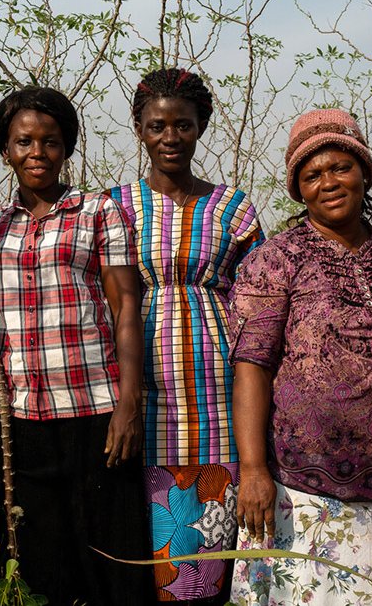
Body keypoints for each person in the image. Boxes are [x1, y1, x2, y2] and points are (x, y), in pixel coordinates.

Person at [0, 85, 151, 604]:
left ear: (68, 147)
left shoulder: (99, 211)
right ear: (6, 151)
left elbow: (125, 306)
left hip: (92, 411)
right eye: (24, 142)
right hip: (18, 413)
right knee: (26, 557)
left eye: (51, 142)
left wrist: (128, 403)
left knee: (108, 561)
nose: (38, 154)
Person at [227, 109, 372, 605]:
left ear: (364, 173)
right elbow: (252, 368)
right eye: (312, 175)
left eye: (341, 168)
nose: (329, 183)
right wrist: (252, 470)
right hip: (297, 492)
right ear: (298, 189)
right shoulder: (275, 260)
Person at [107, 67, 263, 603]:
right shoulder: (114, 206)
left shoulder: (233, 207)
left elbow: (259, 301)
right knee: (138, 554)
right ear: (139, 129)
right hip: (137, 393)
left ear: (201, 128)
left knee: (204, 562)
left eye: (183, 126)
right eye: (156, 127)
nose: (170, 138)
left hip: (217, 392)